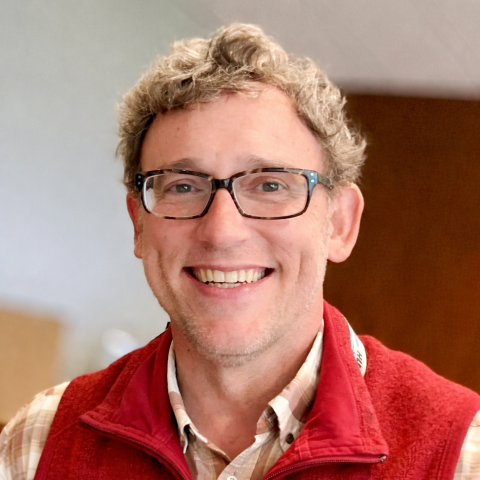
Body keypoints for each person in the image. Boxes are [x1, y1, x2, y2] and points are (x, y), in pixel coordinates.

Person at [1, 23, 480, 480]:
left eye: (270, 185)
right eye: (182, 186)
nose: (222, 232)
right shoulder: (36, 446)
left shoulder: (462, 454)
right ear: (138, 225)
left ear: (339, 223)